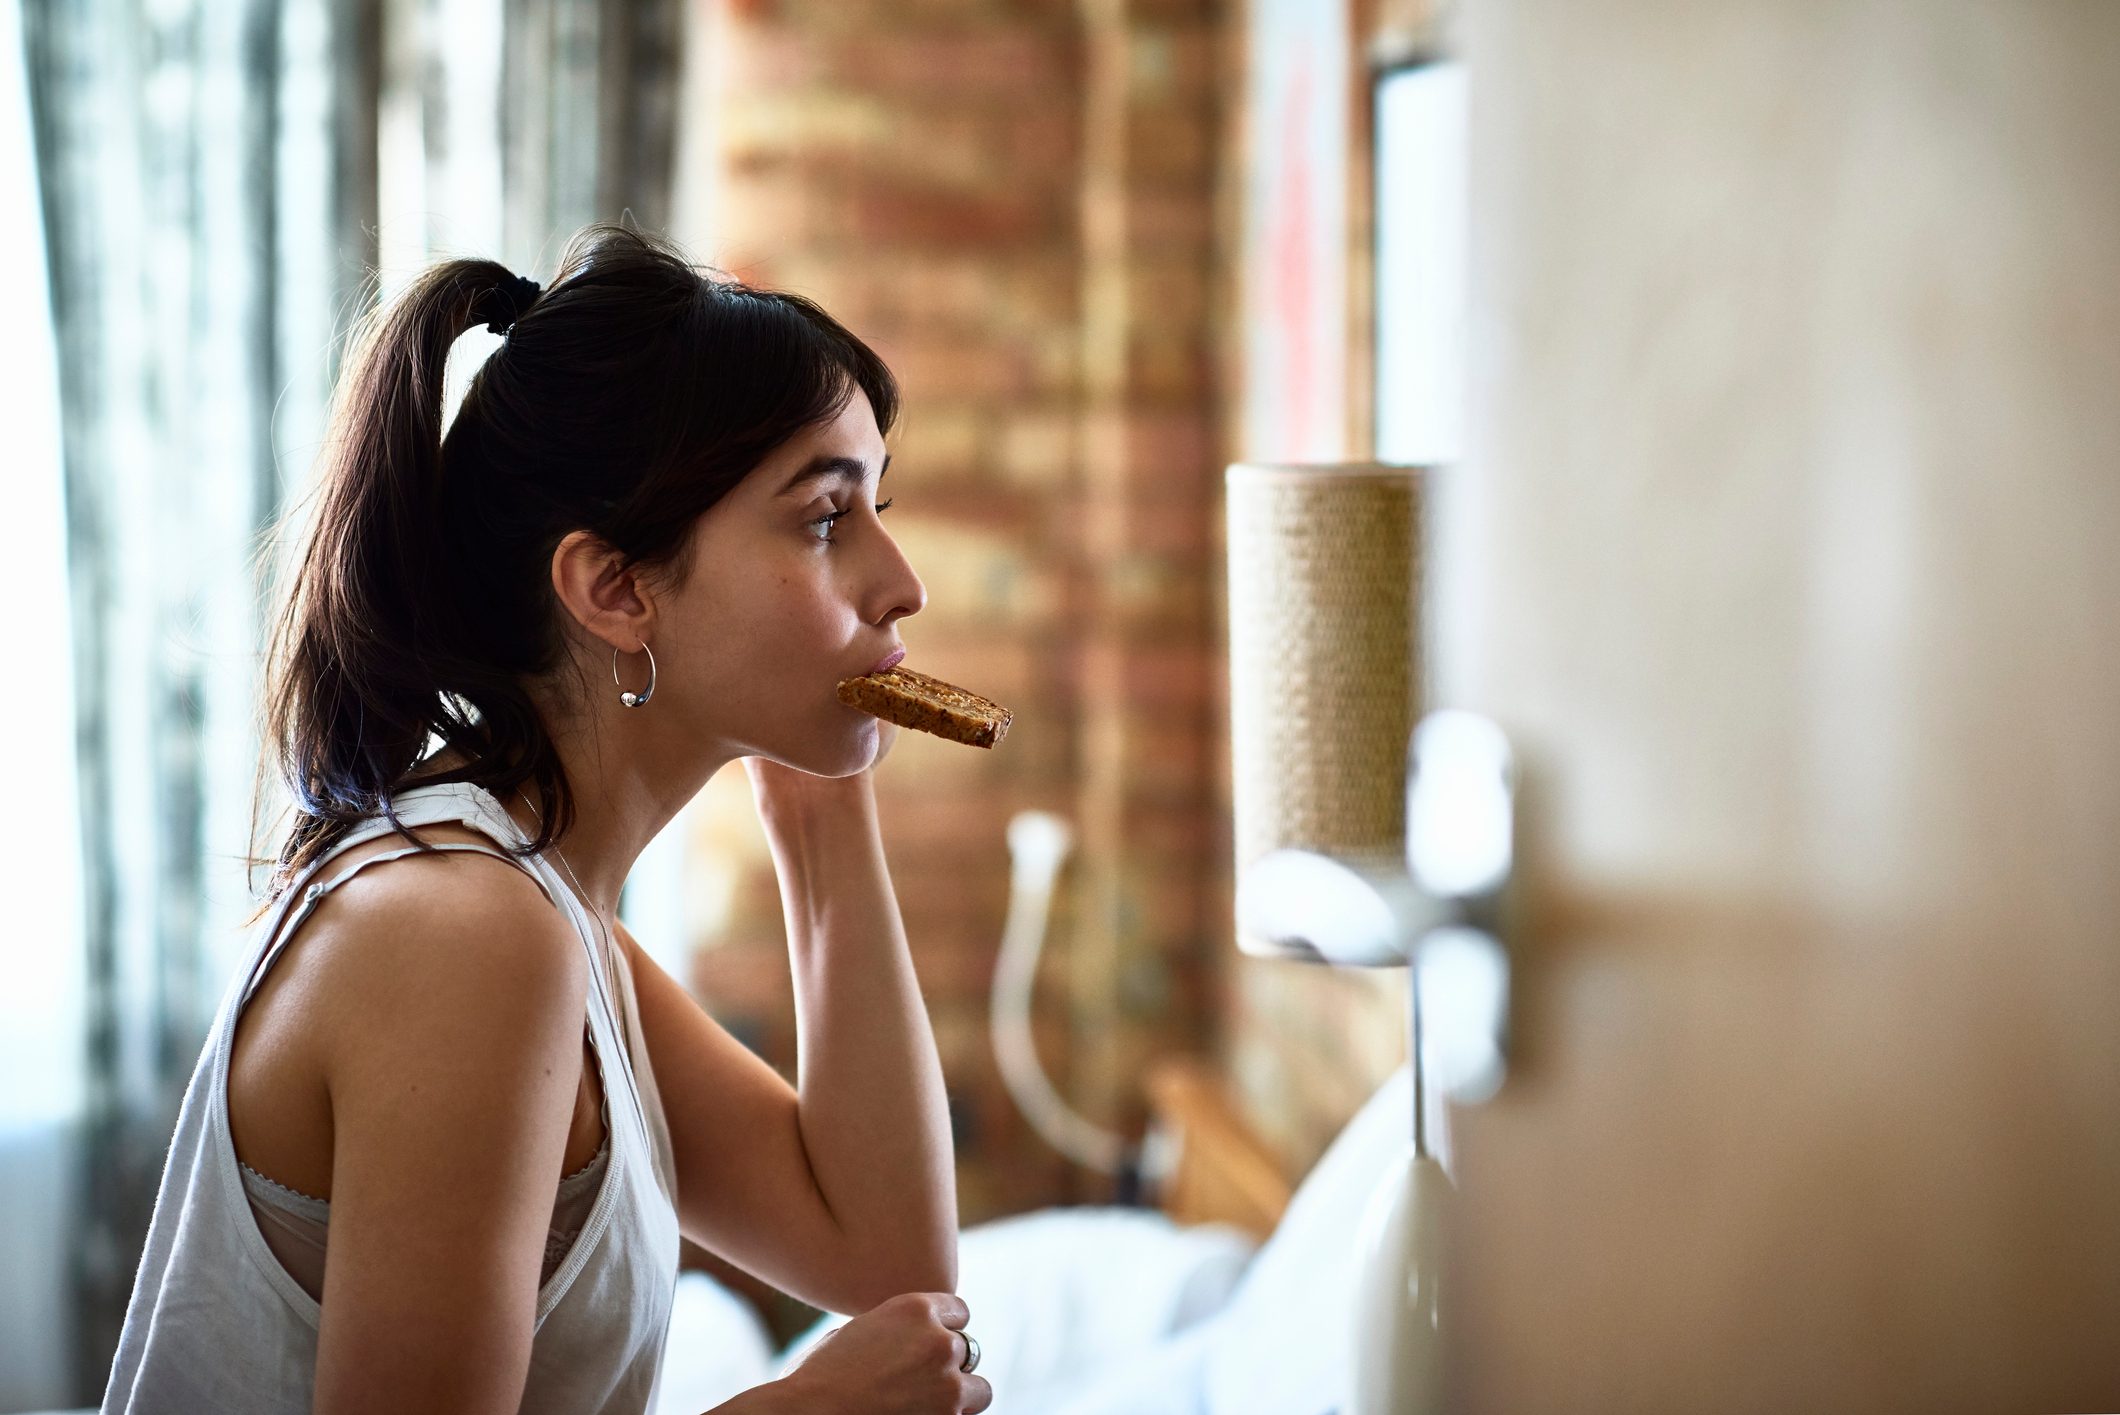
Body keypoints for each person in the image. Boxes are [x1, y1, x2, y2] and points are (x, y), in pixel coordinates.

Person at [99, 221, 992, 1415]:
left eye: (876, 506)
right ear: (616, 589)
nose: (904, 582)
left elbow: (882, 1258)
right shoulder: (463, 932)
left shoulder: (544, 911)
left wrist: (820, 801)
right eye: (828, 519)